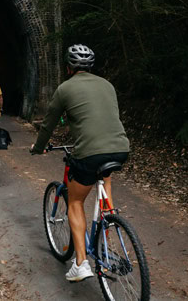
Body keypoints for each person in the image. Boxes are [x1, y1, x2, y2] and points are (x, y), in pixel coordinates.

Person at [31, 44, 129, 282]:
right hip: (120, 148)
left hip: (89, 154)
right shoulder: (107, 85)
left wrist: (39, 146)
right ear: (91, 66)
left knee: (75, 200)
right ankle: (107, 224)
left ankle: (81, 263)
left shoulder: (66, 88)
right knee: (104, 180)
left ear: (68, 67)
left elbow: (49, 123)